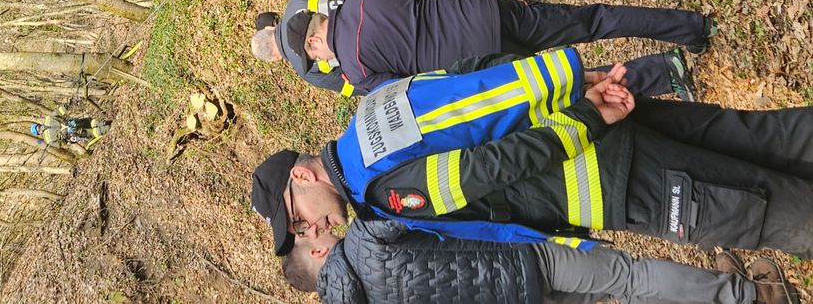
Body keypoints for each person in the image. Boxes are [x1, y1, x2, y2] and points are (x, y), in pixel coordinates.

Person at [251, 51, 813, 261]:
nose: (312, 230)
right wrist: (574, 83)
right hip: (602, 123)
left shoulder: (382, 191)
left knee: (766, 212)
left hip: (608, 175)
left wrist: (585, 116)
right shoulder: (371, 113)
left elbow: (495, 168)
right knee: (763, 137)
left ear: (302, 176)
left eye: (298, 219)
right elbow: (477, 83)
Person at [250, 0, 713, 97]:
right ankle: (690, 28)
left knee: (577, 82)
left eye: (316, 57)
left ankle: (664, 71)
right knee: (594, 20)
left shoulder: (355, 70)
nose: (321, 61)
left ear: (313, 41)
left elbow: (414, 91)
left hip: (486, 67)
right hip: (490, 15)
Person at [284, 215, 796, 303]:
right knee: (630, 276)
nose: (324, 228)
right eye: (314, 236)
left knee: (618, 292)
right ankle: (751, 295)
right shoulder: (366, 241)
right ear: (320, 254)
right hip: (520, 260)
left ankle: (717, 294)